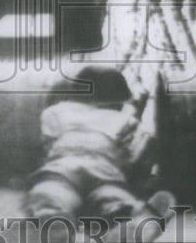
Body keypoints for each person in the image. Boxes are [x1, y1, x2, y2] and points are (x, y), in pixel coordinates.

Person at [23, 65, 174, 242]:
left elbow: (42, 148)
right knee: (111, 199)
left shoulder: (54, 113)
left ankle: (52, 220)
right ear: (118, 102)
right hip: (106, 173)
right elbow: (136, 160)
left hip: (61, 170)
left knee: (51, 195)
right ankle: (127, 218)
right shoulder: (125, 121)